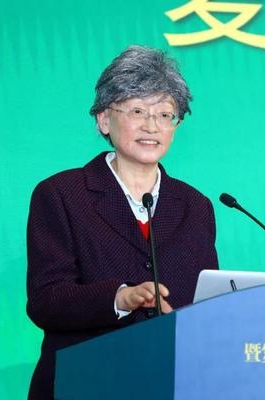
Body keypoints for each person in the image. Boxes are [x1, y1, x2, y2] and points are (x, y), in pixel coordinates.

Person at [26, 45, 219, 399]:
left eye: (165, 114)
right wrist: (121, 298)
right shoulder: (62, 194)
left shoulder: (195, 205)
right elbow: (46, 301)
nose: (152, 125)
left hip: (168, 383)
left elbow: (205, 303)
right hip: (85, 383)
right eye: (137, 110)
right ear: (104, 119)